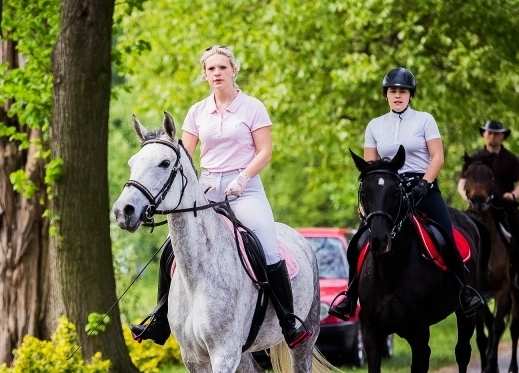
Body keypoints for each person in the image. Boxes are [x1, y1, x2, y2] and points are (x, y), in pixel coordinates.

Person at [130, 45, 312, 349]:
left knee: (267, 247)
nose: (216, 73)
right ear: (204, 74)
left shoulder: (253, 107)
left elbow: (265, 151)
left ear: (233, 71)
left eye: (222, 68)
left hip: (246, 188)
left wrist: (242, 179)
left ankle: (288, 322)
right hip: (207, 190)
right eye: (211, 69)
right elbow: (183, 158)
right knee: (171, 250)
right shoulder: (197, 112)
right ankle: (161, 322)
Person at [329, 67, 485, 320]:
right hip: (389, 193)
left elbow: (438, 156)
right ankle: (350, 296)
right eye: (393, 91)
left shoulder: (425, 120)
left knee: (446, 236)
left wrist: (425, 183)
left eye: (403, 91)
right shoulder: (375, 126)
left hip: (423, 189)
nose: (398, 96)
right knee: (359, 241)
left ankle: (463, 291)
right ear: (386, 95)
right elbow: (371, 166)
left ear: (410, 95)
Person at [457, 120, 519, 289]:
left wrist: (513, 195)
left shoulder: (511, 159)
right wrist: (467, 197)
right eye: (489, 133)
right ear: (484, 135)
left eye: (496, 134)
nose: (493, 137)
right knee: (459, 230)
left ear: (502, 137)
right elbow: (462, 182)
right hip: (478, 206)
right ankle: (459, 272)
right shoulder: (474, 159)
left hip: (504, 206)